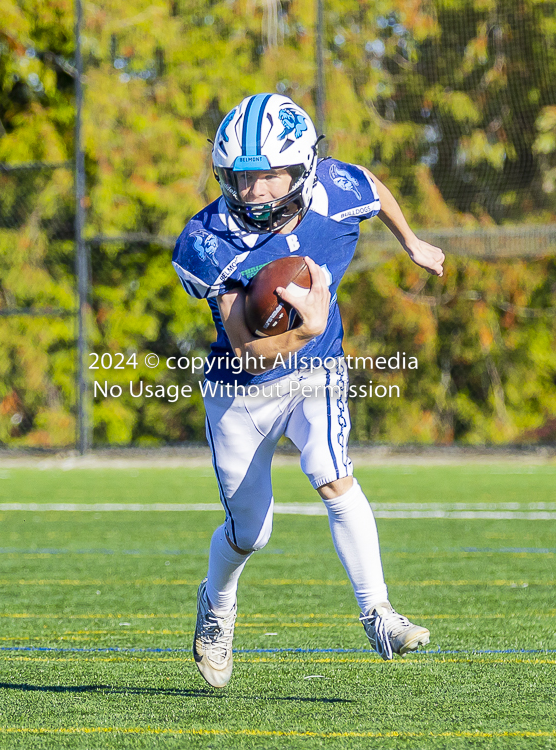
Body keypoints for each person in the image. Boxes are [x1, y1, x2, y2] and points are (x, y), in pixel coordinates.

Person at [172, 93, 445, 688]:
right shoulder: (209, 240)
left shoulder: (335, 189)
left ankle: (379, 613)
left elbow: (371, 184)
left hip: (316, 374)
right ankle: (217, 605)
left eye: (269, 176)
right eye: (242, 179)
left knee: (333, 473)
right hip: (240, 388)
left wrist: (412, 242)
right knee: (251, 531)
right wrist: (308, 328)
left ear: (303, 170)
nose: (253, 193)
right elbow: (248, 350)